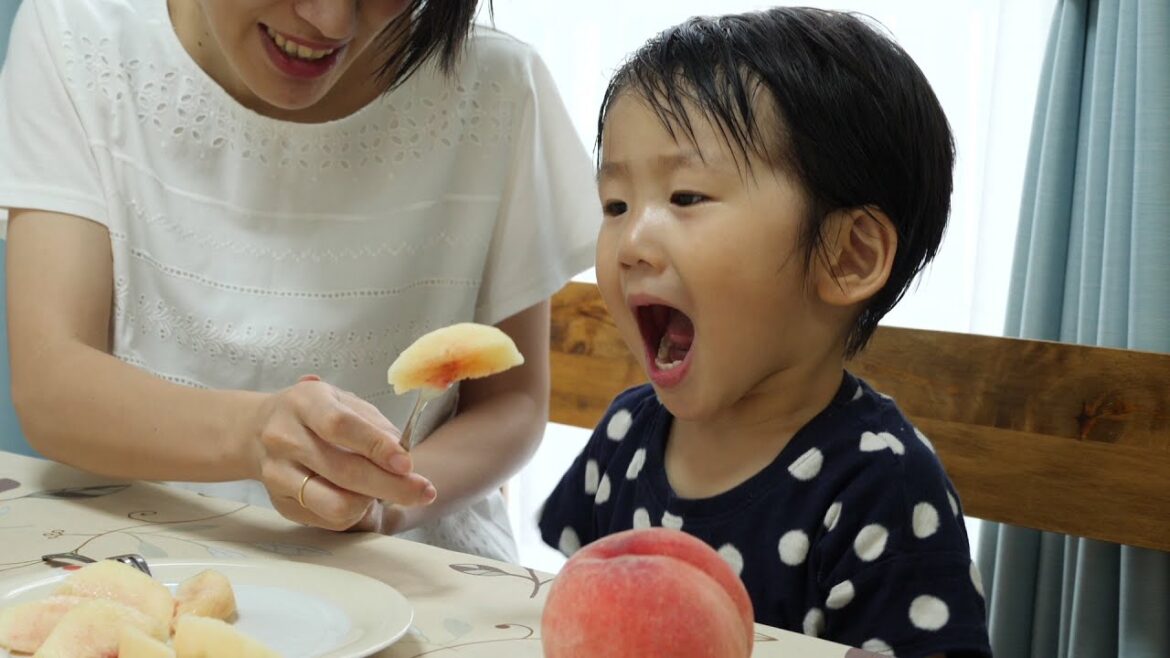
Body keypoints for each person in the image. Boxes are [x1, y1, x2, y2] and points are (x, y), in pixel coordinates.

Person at [0, 0, 599, 563]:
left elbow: (513, 403)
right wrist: (257, 436)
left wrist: (383, 502)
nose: (331, 20)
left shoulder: (496, 84)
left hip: (409, 564)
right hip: (151, 560)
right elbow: (53, 386)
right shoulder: (79, 35)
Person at [538, 8, 991, 656]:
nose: (630, 242)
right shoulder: (626, 435)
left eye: (686, 196)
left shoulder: (881, 489)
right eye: (615, 205)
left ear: (848, 255)